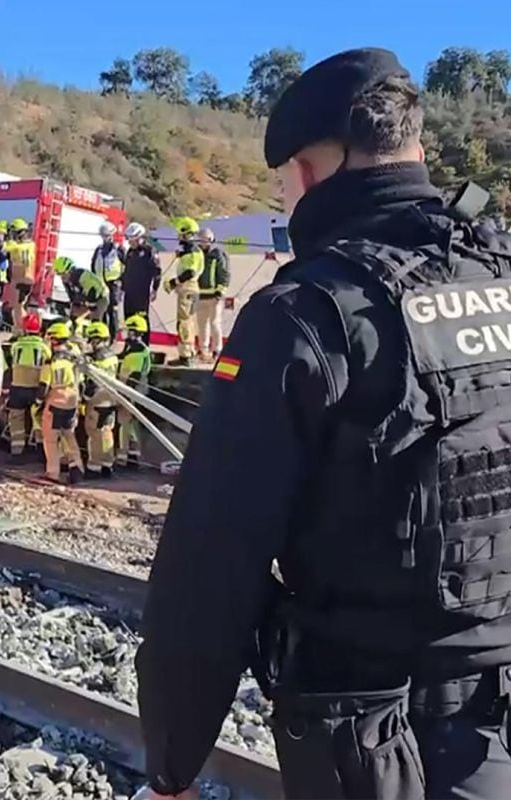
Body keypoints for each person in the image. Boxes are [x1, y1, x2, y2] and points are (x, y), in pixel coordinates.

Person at [133, 48, 511, 800]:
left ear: (307, 173)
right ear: (417, 152)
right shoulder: (500, 271)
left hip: (383, 745)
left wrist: (171, 765)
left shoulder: (302, 315)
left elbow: (209, 570)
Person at [38, 321, 83, 484]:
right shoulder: (74, 360)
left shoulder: (50, 362)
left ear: (55, 340)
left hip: (55, 403)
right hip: (71, 402)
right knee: (70, 436)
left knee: (50, 440)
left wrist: (37, 402)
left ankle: (52, 473)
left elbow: (43, 387)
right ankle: (77, 467)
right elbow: (81, 383)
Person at [5, 312, 51, 456]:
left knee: (16, 418)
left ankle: (17, 449)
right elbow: (48, 363)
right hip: (35, 388)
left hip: (17, 387)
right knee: (37, 418)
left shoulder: (16, 346)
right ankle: (39, 448)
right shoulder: (43, 348)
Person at [162, 217, 204, 366]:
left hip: (187, 289)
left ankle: (186, 356)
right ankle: (188, 353)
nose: (178, 237)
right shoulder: (191, 251)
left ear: (186, 233)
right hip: (190, 289)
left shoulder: (191, 251)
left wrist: (174, 282)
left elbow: (190, 272)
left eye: (180, 234)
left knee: (184, 323)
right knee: (188, 322)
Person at [81, 321, 118, 478]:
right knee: (107, 432)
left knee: (94, 435)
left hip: (96, 401)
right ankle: (107, 465)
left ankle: (93, 468)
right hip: (110, 399)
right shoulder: (113, 356)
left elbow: (93, 383)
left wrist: (85, 398)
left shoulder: (95, 360)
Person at [114, 314, 151, 470]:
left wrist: (125, 394)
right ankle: (132, 455)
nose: (127, 334)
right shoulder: (134, 349)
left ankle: (125, 457)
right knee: (129, 424)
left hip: (131, 391)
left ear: (135, 332)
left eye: (129, 331)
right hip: (133, 390)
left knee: (125, 424)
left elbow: (134, 376)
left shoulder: (138, 351)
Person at [121, 222, 162, 345]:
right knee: (129, 319)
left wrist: (155, 289)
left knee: (141, 319)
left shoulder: (150, 251)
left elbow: (157, 272)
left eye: (132, 240)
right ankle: (129, 345)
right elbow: (126, 270)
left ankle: (144, 345)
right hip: (129, 292)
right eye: (129, 240)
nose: (130, 243)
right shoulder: (130, 252)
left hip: (142, 293)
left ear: (140, 238)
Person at [193, 227, 230, 362]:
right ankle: (203, 350)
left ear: (210, 240)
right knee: (201, 325)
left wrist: (220, 291)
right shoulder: (197, 254)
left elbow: (224, 274)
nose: (202, 243)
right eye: (200, 240)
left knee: (215, 323)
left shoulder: (218, 255)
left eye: (204, 240)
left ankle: (217, 350)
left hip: (214, 296)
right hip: (200, 295)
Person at [53, 256, 111, 325]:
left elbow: (93, 291)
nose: (62, 278)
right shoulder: (66, 280)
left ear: (70, 271)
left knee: (95, 317)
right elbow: (72, 296)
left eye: (63, 274)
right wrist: (75, 306)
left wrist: (90, 308)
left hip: (100, 296)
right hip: (86, 295)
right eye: (59, 275)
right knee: (73, 315)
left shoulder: (82, 276)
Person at [91, 222, 125, 335]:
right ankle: (103, 334)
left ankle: (113, 336)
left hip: (114, 283)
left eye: (106, 235)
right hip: (101, 284)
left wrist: (121, 281)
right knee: (102, 310)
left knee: (112, 310)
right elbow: (93, 265)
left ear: (112, 235)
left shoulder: (119, 249)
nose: (104, 238)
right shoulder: (99, 250)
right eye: (103, 235)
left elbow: (127, 265)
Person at [3, 218, 37, 330]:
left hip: (19, 280)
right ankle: (26, 327)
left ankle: (20, 329)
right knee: (20, 306)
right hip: (29, 279)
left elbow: (4, 248)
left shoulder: (15, 246)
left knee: (17, 307)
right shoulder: (31, 245)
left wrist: (7, 238)